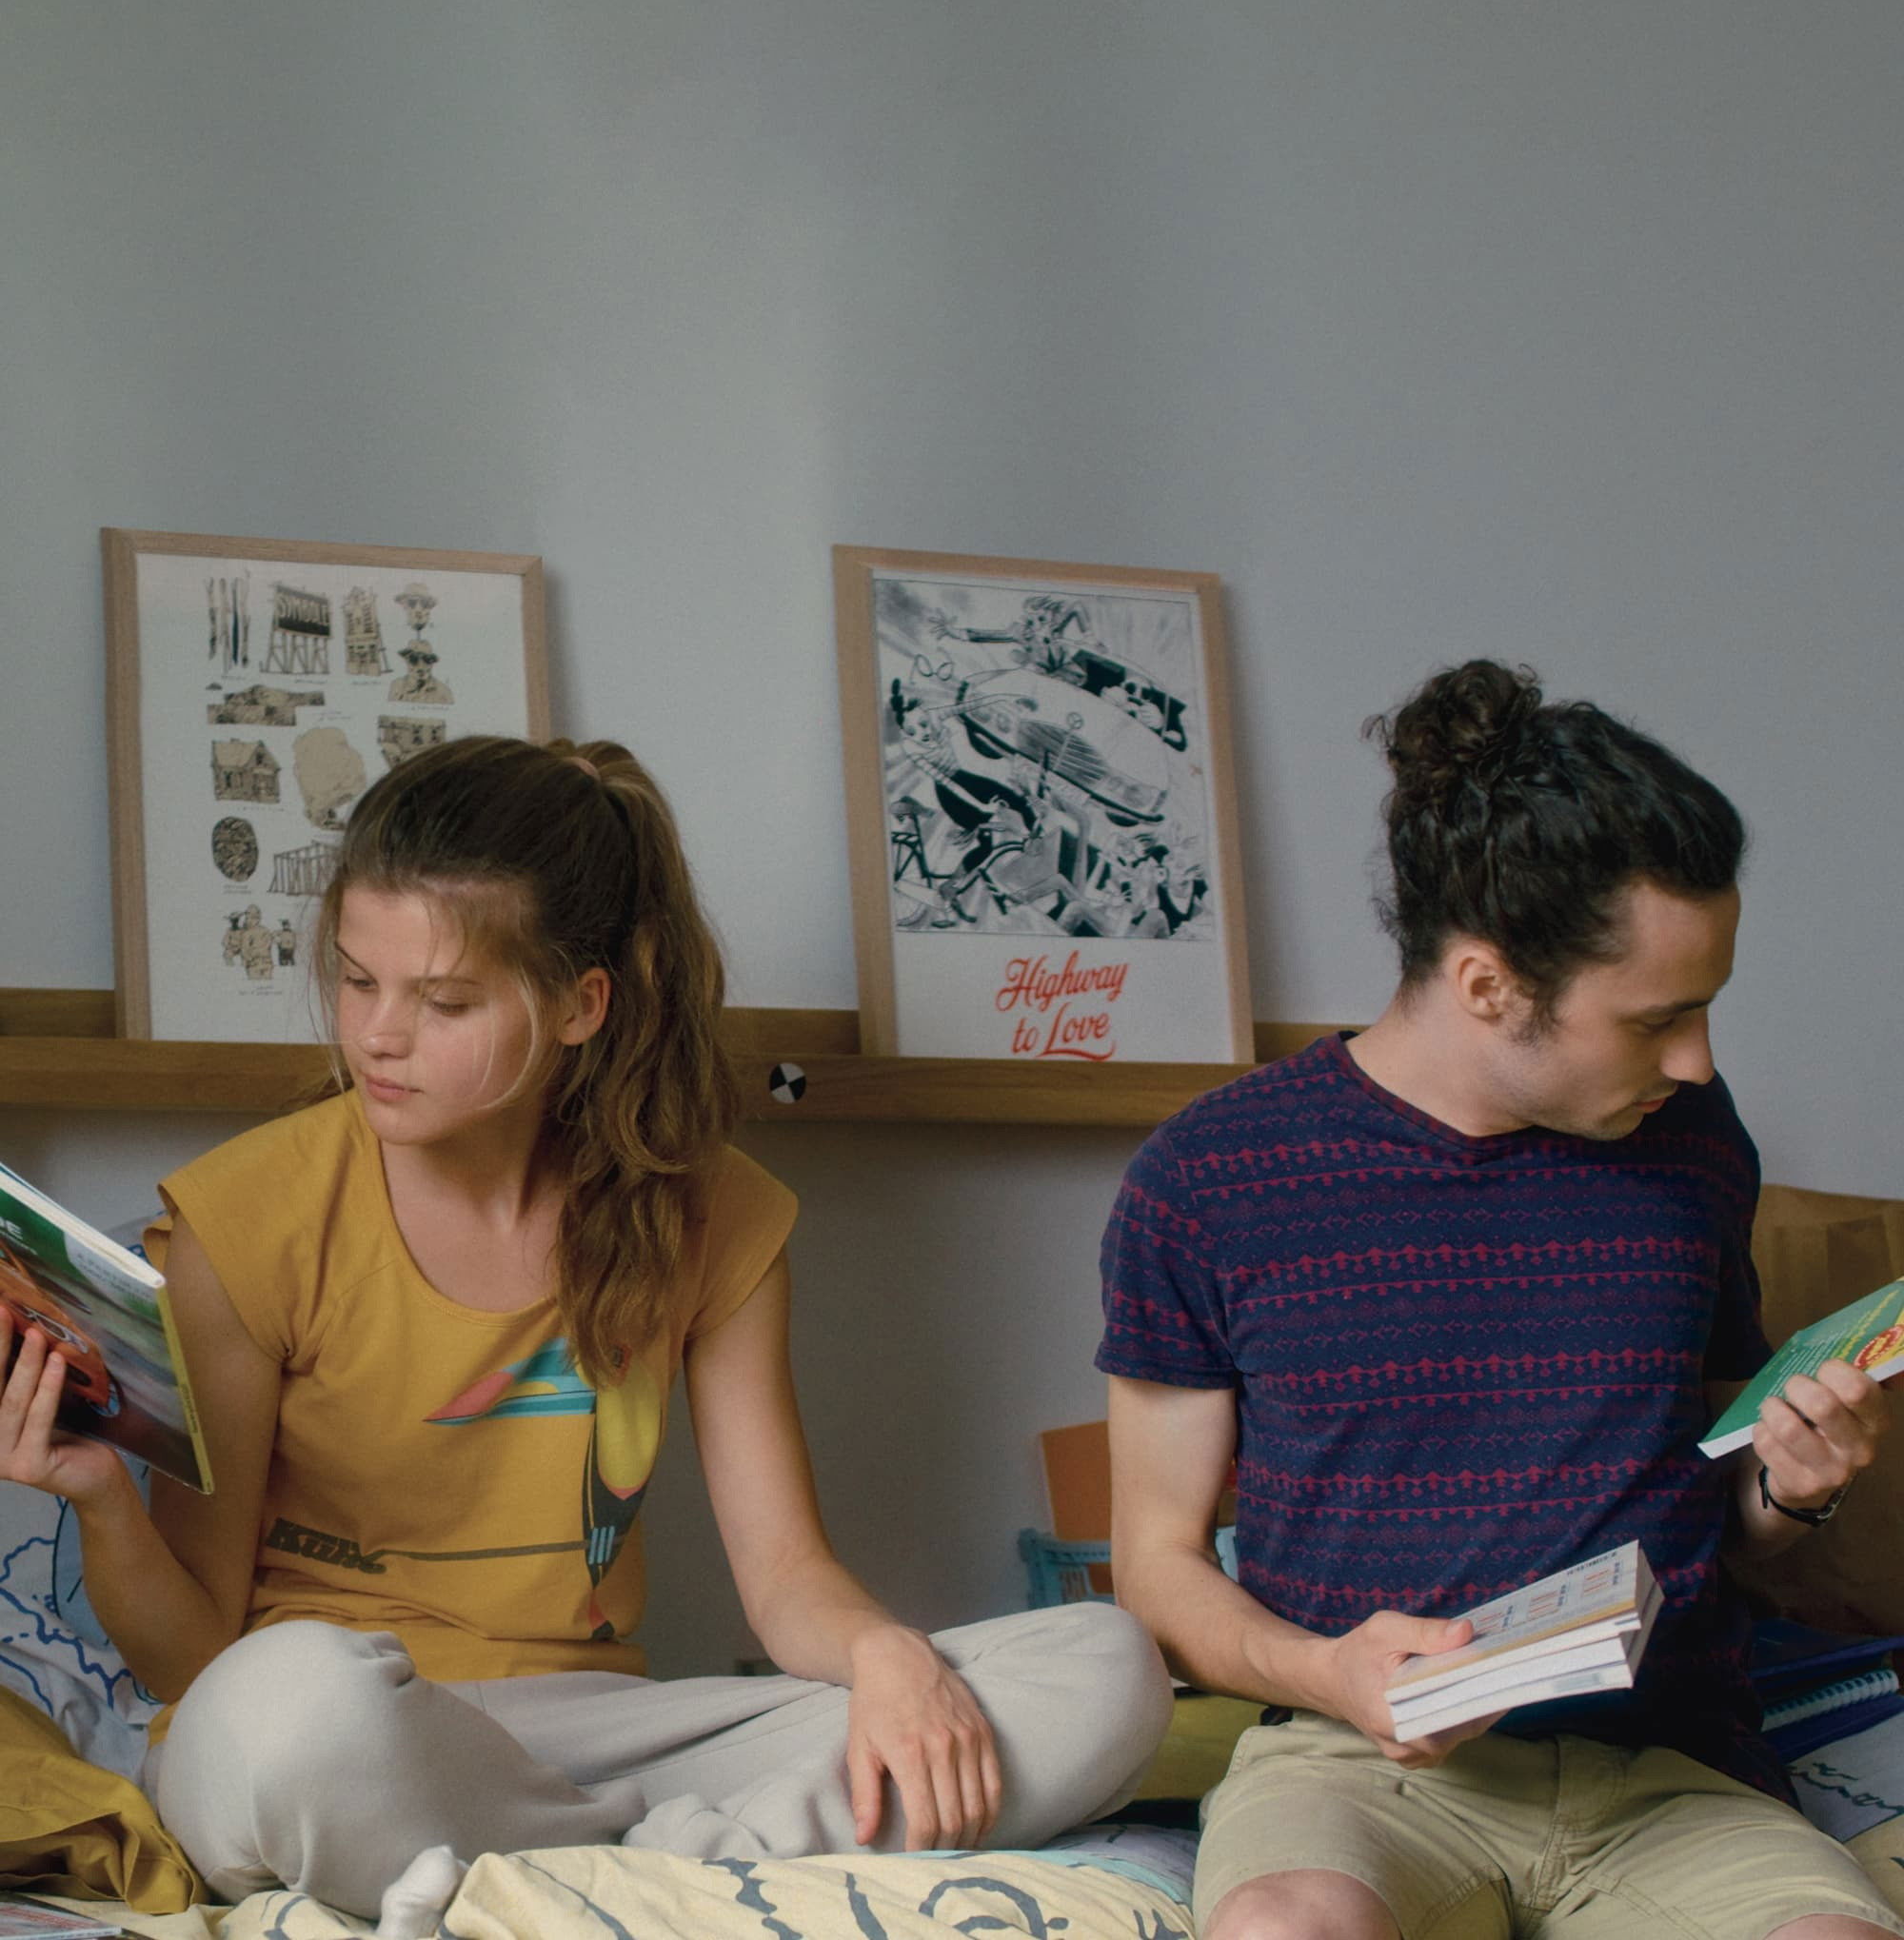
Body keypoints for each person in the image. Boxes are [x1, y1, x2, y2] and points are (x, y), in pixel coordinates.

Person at [0, 736, 1169, 1921]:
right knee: (290, 1708)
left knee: (1105, 1670)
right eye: (356, 981)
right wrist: (101, 1498)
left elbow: (785, 1576)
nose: (377, 1036)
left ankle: (561, 1884)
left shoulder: (710, 1215)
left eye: (442, 1000)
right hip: (344, 1729)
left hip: (593, 1735)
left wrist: (882, 1653)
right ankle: (672, 1879)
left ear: (578, 1005)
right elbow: (193, 1659)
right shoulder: (247, 1218)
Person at [1100, 662, 1897, 1940]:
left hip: (1673, 1769)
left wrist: (1794, 1486)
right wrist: (1329, 1674)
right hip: (1357, 1766)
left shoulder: (1693, 1145)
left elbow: (1725, 1517)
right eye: (1657, 1020)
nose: (1697, 1062)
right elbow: (1156, 1564)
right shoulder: (1209, 1178)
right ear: (1487, 985)